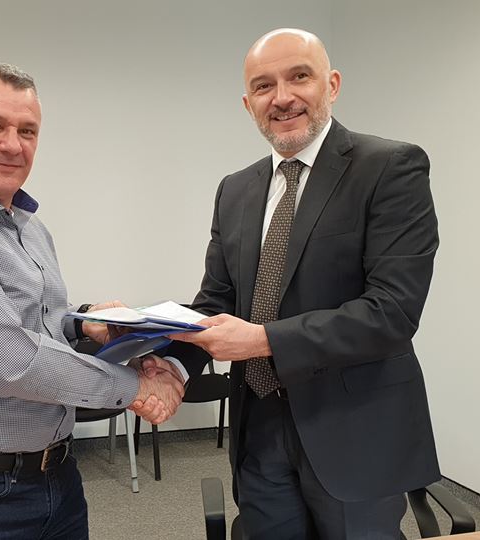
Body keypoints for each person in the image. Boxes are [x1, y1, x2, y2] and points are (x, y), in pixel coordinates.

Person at [0, 63, 185, 539]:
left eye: (27, 131)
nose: (13, 144)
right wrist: (137, 387)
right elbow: (12, 362)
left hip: (56, 475)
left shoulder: (29, 227)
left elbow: (34, 321)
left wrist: (82, 323)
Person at [166, 29, 441, 538]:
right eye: (263, 86)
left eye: (299, 77)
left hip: (355, 428)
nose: (282, 97)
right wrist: (166, 362)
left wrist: (262, 340)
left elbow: (392, 311)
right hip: (258, 428)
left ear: (331, 85)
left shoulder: (390, 168)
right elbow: (217, 301)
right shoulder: (235, 189)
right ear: (248, 104)